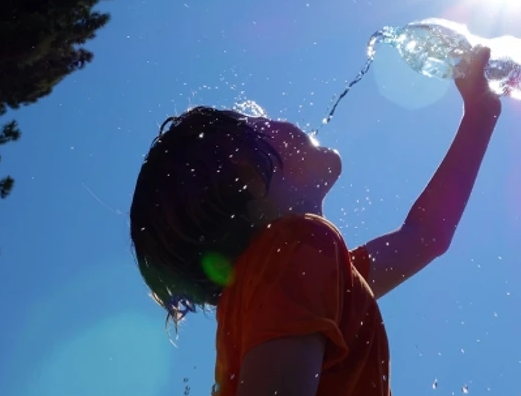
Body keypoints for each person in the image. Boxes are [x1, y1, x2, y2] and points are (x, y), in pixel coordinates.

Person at [129, 46, 501, 396]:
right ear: (248, 176)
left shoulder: (299, 276)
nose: (278, 120)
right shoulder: (293, 251)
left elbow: (425, 236)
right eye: (260, 123)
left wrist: (480, 115)